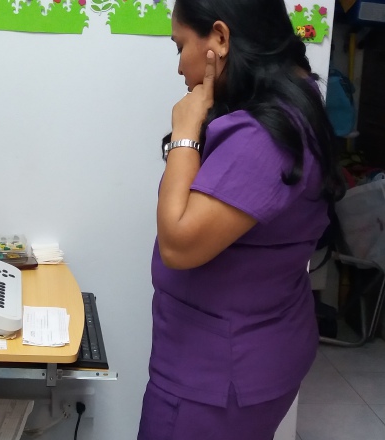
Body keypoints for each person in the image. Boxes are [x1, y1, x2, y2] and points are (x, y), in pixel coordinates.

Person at [138, 0, 345, 439]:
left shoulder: (263, 137)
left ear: (219, 38)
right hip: (251, 350)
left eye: (180, 47)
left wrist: (185, 133)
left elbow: (178, 244)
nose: (180, 68)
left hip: (215, 377)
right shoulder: (296, 103)